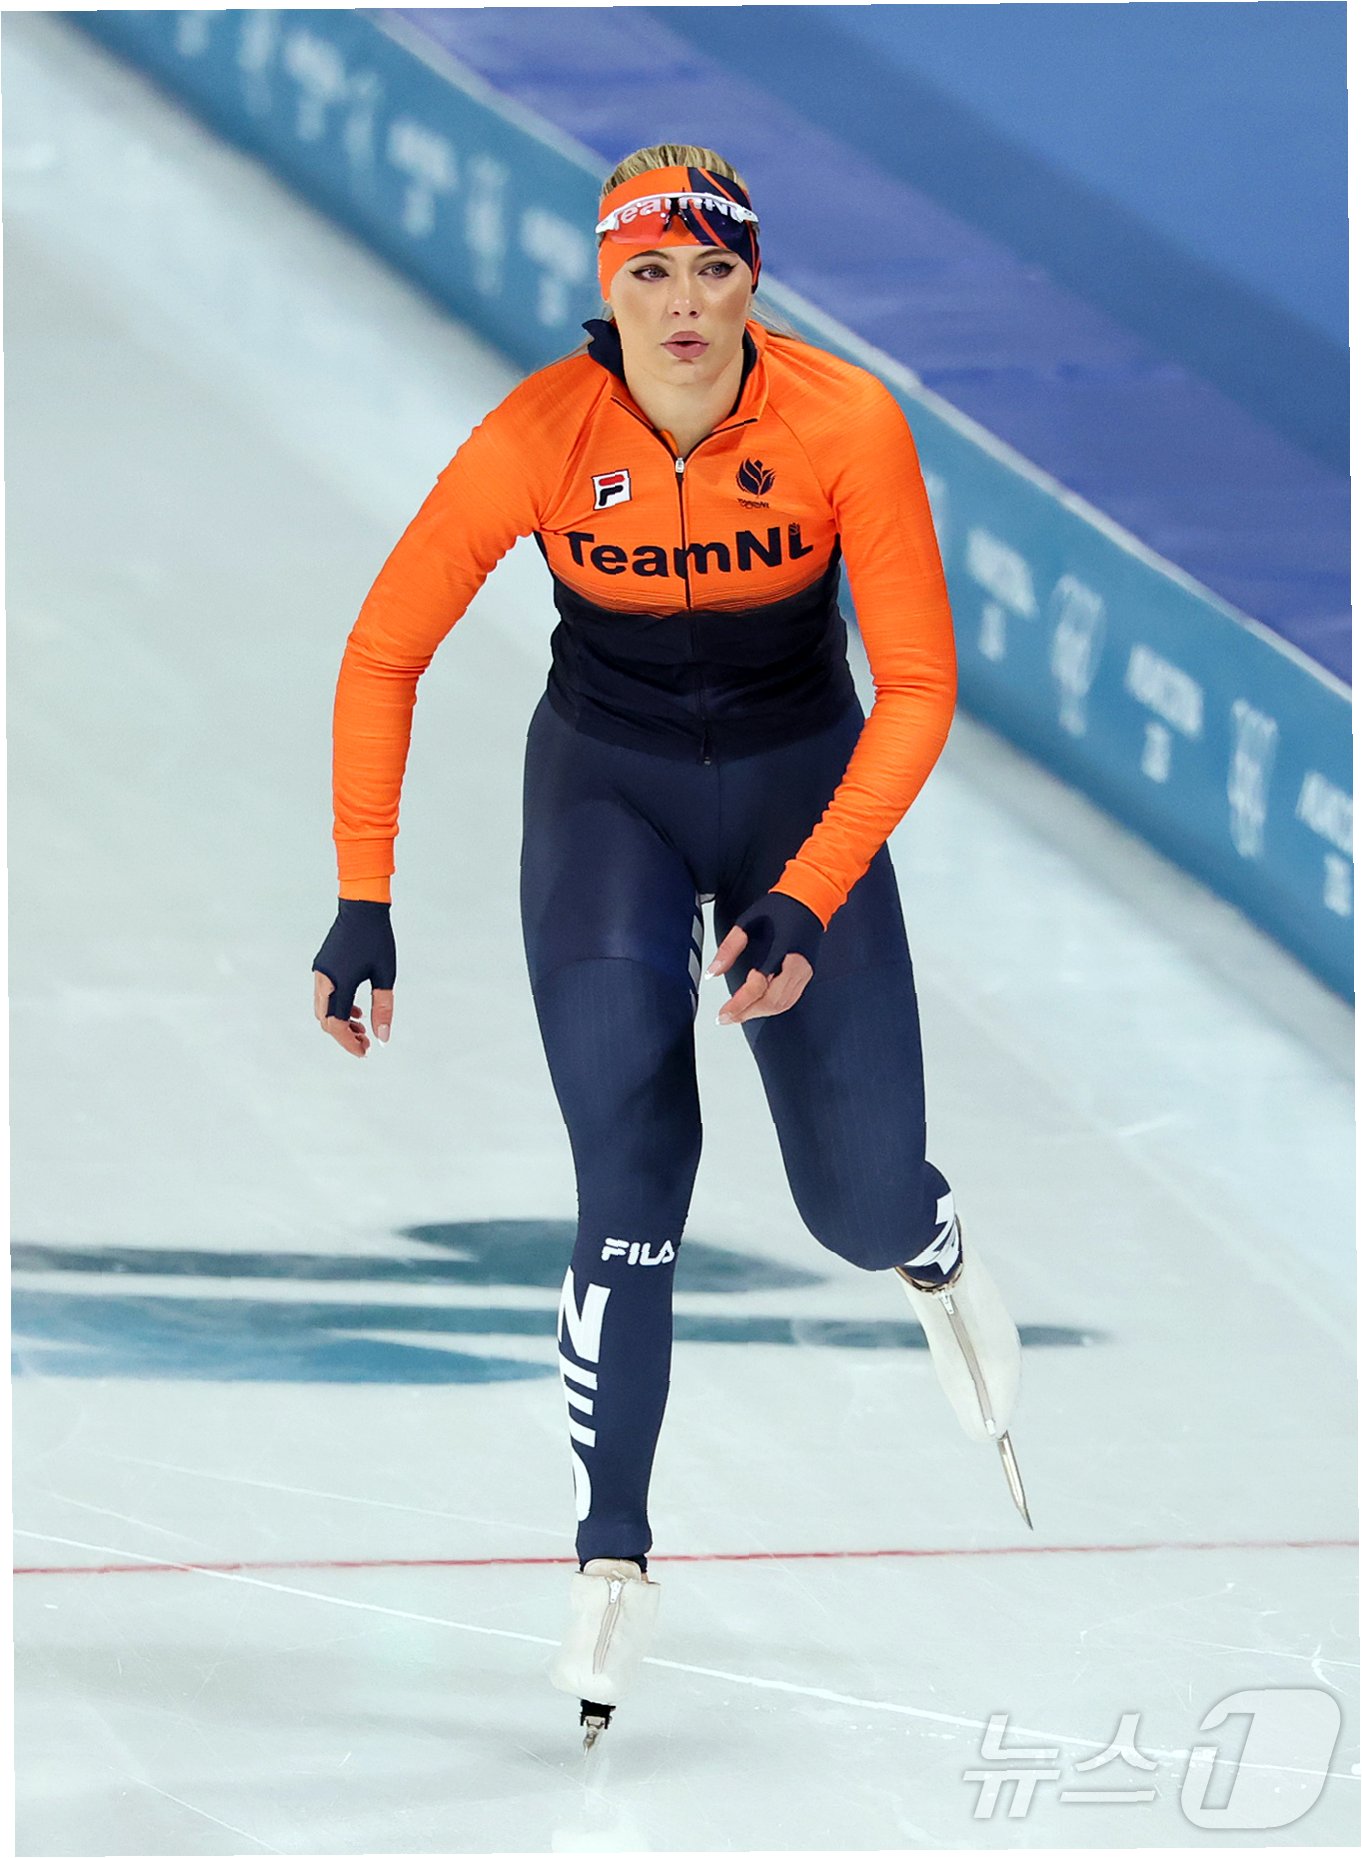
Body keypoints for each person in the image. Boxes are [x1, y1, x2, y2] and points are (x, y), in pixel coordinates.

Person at [313, 144, 1027, 1748]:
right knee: (630, 1178)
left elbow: (917, 685)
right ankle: (610, 1556)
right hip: (609, 806)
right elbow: (383, 648)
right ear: (605, 286)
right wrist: (364, 894)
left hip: (796, 800)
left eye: (712, 269)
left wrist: (812, 890)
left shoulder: (845, 422)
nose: (683, 303)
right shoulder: (537, 436)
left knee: (852, 1202)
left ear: (752, 279)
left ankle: (925, 1241)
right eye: (649, 272)